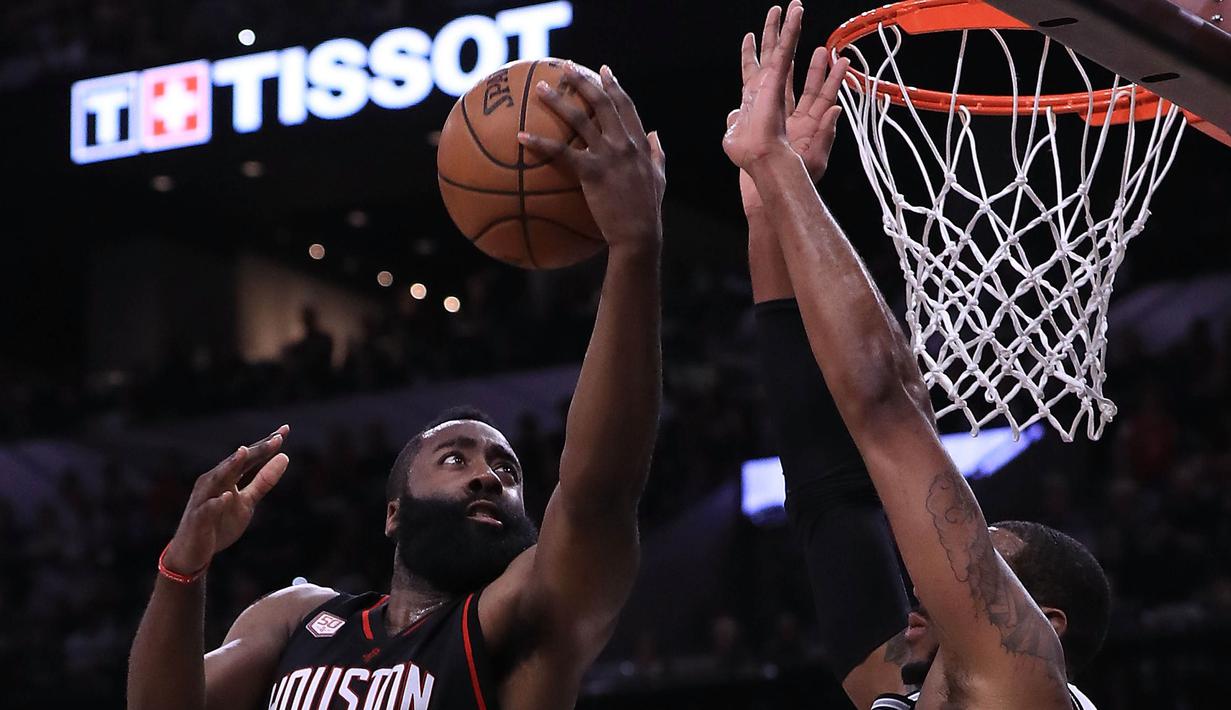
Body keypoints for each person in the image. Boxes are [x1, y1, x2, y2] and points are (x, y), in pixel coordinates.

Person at [127, 63, 667, 710]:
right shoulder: (297, 618)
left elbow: (598, 493)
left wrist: (634, 249)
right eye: (454, 458)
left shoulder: (522, 619)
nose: (489, 476)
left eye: (507, 468)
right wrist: (182, 570)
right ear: (392, 513)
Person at [726, 3, 1108, 708]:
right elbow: (830, 492)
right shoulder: (960, 682)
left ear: (1044, 627)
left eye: (981, 560)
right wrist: (771, 213)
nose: (926, 569)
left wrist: (780, 173)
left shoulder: (1021, 686)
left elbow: (886, 412)